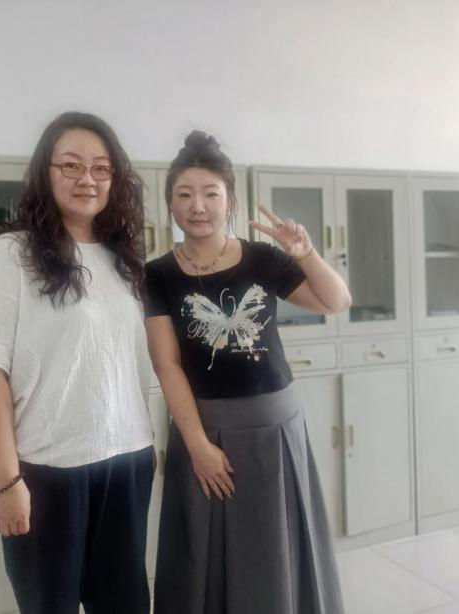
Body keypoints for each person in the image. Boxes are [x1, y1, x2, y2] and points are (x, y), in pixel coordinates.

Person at [144, 131, 350, 614]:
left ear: (229, 200)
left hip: (276, 429)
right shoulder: (158, 273)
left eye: (210, 193)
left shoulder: (262, 258)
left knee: (276, 553)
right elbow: (166, 364)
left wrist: (305, 253)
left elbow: (336, 301)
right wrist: (198, 447)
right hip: (204, 431)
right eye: (184, 194)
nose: (198, 206)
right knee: (203, 558)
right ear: (171, 204)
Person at [0, 111, 155, 614]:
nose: (86, 178)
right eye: (70, 165)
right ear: (44, 174)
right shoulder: (10, 254)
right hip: (49, 470)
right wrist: (5, 482)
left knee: (127, 604)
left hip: (128, 458)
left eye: (100, 168)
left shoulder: (123, 258)